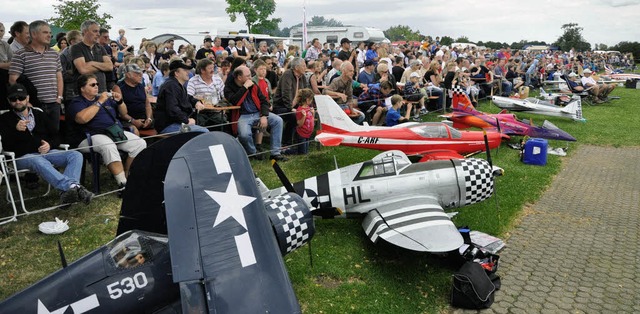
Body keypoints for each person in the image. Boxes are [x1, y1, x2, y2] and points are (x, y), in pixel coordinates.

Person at [0, 84, 93, 205]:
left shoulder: (39, 114)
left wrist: (49, 144)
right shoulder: (4, 119)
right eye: (13, 99)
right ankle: (73, 188)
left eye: (21, 98)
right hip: (21, 157)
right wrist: (14, 129)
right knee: (37, 160)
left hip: (46, 152)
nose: (17, 101)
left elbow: (57, 135)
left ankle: (68, 192)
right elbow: (4, 146)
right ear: (8, 101)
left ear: (27, 98)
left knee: (75, 155)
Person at [67, 74, 147, 191]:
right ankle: (123, 185)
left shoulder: (106, 100)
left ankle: (127, 176)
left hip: (113, 133)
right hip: (88, 137)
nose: (96, 87)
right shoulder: (76, 102)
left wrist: (120, 101)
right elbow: (82, 119)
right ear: (82, 88)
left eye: (97, 84)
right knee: (107, 144)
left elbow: (124, 112)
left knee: (139, 143)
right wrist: (100, 102)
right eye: (92, 84)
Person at [9, 20, 64, 133]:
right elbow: (13, 80)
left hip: (54, 104)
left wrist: (59, 98)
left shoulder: (54, 54)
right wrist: (26, 102)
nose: (49, 35)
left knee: (53, 136)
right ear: (33, 34)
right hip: (33, 105)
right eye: (45, 32)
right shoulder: (20, 54)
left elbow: (59, 77)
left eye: (50, 33)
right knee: (37, 137)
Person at [224, 65, 287, 161]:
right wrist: (244, 87)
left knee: (278, 120)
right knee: (244, 134)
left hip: (258, 113)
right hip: (243, 115)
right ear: (239, 77)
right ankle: (253, 152)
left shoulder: (253, 84)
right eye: (248, 76)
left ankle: (275, 153)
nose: (250, 78)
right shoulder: (228, 88)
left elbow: (264, 101)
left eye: (250, 75)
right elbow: (235, 101)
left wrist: (264, 116)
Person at [154, 59, 209, 134]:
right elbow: (173, 109)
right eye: (184, 70)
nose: (188, 72)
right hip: (168, 125)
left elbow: (187, 97)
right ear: (176, 73)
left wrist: (196, 102)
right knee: (203, 132)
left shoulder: (176, 84)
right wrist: (186, 120)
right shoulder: (171, 86)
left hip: (176, 122)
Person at [272, 57, 308, 147]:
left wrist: (305, 106)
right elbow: (285, 94)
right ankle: (286, 143)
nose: (305, 67)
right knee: (293, 116)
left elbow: (306, 91)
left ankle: (301, 141)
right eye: (303, 66)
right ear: (296, 67)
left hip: (295, 105)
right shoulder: (287, 74)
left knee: (306, 113)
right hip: (281, 106)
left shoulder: (302, 76)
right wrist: (290, 108)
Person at [70, 20, 114, 94]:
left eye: (98, 31)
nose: (98, 34)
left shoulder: (100, 48)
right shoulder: (76, 48)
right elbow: (83, 69)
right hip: (84, 94)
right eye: (95, 31)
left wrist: (91, 63)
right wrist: (102, 66)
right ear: (85, 32)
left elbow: (110, 66)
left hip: (101, 91)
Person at [186, 58, 226, 131]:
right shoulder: (193, 81)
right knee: (200, 122)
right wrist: (198, 99)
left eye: (213, 68)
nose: (212, 70)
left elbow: (224, 95)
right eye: (210, 68)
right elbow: (189, 97)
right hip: (201, 112)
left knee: (223, 122)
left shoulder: (217, 79)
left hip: (216, 111)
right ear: (202, 70)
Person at [114, 64, 153, 132]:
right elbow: (120, 112)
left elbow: (147, 105)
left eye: (141, 73)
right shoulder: (119, 88)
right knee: (134, 130)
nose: (140, 76)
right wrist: (133, 121)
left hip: (144, 119)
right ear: (128, 75)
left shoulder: (141, 87)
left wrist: (149, 118)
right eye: (137, 74)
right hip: (127, 121)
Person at [284, 88, 315, 155]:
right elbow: (299, 124)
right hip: (302, 134)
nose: (312, 101)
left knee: (305, 151)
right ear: (307, 100)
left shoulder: (309, 108)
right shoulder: (300, 110)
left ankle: (295, 150)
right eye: (311, 99)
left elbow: (312, 119)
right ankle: (287, 151)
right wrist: (303, 116)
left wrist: (313, 113)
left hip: (307, 134)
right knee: (302, 153)